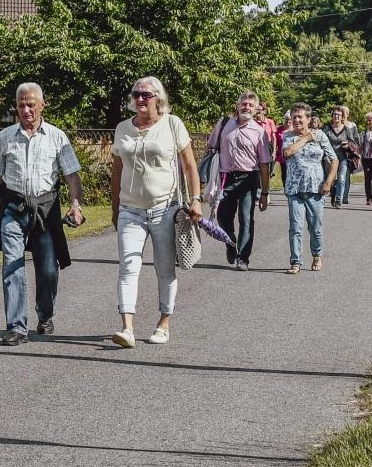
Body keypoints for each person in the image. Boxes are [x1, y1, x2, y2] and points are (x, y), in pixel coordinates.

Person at [0, 83, 85, 346]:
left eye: (31, 104)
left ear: (43, 104)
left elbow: (71, 175)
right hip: (13, 210)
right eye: (21, 105)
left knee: (48, 270)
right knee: (12, 266)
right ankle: (17, 326)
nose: (26, 110)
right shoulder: (5, 137)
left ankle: (45, 314)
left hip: (45, 210)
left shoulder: (56, 137)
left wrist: (75, 206)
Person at [110, 76, 201, 348]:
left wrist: (196, 199)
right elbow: (116, 172)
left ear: (158, 98)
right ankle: (127, 327)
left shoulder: (173, 124)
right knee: (128, 266)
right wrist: (115, 208)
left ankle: (164, 323)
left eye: (146, 95)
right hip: (130, 210)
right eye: (136, 94)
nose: (139, 99)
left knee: (164, 269)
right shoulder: (123, 128)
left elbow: (189, 166)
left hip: (164, 209)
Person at [207, 91, 272, 271]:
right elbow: (211, 145)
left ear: (256, 108)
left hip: (248, 178)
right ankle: (230, 243)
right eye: (244, 104)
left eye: (251, 105)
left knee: (246, 218)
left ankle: (243, 258)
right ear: (238, 105)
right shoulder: (224, 124)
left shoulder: (259, 132)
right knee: (222, 217)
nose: (247, 107)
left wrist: (265, 192)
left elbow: (265, 164)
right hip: (225, 177)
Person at [282, 103, 337, 274]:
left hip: (316, 189)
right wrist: (305, 138)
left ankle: (317, 255)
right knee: (295, 227)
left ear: (308, 118)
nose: (297, 120)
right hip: (294, 189)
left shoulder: (320, 135)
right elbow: (287, 153)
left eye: (300, 117)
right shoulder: (288, 136)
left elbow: (334, 159)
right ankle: (296, 261)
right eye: (294, 117)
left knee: (315, 227)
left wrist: (328, 182)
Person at [320, 106, 360, 208]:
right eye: (335, 114)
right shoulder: (327, 129)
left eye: (339, 114)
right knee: (331, 179)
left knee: (342, 179)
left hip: (343, 157)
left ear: (342, 117)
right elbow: (321, 142)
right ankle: (333, 195)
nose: (336, 116)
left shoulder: (347, 129)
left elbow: (353, 143)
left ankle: (339, 200)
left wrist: (348, 145)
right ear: (332, 116)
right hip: (330, 158)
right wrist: (325, 156)